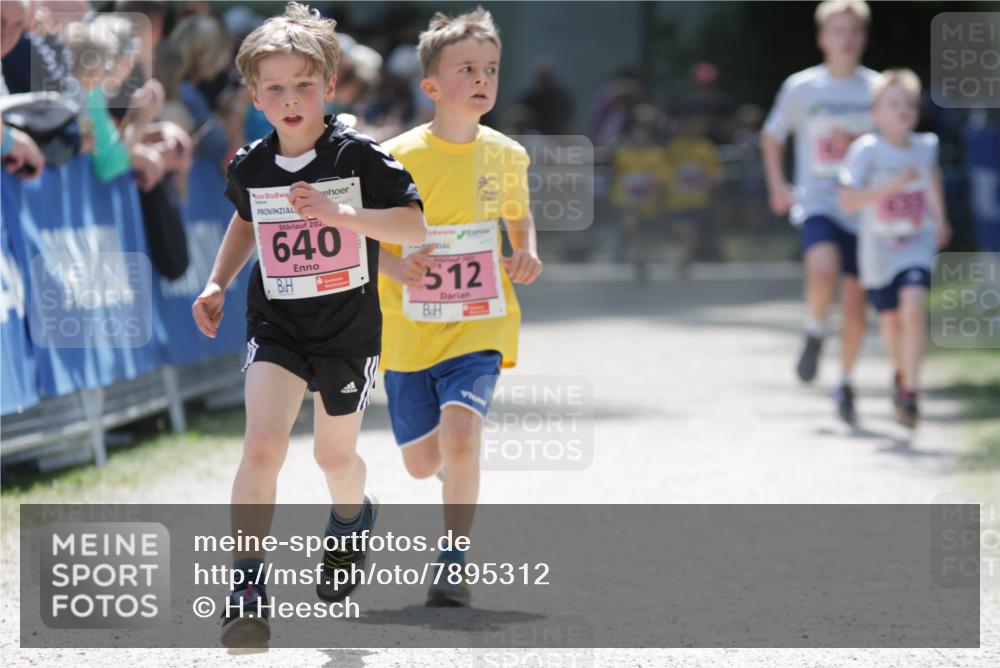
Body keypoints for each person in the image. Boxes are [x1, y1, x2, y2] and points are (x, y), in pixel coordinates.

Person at [190, 2, 425, 647]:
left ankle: (353, 517)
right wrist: (218, 281)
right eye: (275, 88)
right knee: (262, 444)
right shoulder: (251, 164)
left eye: (303, 85)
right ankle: (246, 585)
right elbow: (247, 219)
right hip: (278, 323)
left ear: (328, 84)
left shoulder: (361, 157)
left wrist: (340, 216)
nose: (290, 99)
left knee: (333, 455)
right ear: (255, 96)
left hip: (348, 331)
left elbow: (413, 225)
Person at [378, 8, 542, 607]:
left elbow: (518, 222)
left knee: (461, 439)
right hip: (408, 332)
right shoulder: (393, 158)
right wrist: (395, 266)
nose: (482, 79)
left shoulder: (506, 156)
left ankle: (453, 559)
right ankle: (453, 475)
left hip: (479, 324)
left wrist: (524, 253)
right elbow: (361, 237)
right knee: (424, 464)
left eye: (491, 69)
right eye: (467, 68)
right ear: (431, 86)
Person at [761, 0, 880, 425]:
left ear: (863, 38)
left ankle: (845, 382)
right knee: (823, 271)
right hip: (819, 201)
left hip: (866, 210)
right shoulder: (802, 88)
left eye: (853, 31)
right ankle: (814, 328)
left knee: (854, 304)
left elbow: (898, 144)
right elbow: (772, 136)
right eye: (837, 31)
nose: (846, 39)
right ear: (822, 39)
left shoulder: (878, 90)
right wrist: (778, 186)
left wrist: (862, 141)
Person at [839, 69, 951, 427]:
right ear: (875, 113)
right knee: (889, 322)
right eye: (893, 104)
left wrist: (941, 218)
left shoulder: (926, 145)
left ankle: (913, 393)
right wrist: (892, 187)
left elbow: (931, 177)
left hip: (915, 243)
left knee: (913, 307)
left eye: (909, 104)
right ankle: (901, 375)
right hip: (878, 250)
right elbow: (848, 201)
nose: (903, 110)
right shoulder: (865, 151)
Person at [610, 103, 667, 278]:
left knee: (642, 231)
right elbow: (618, 177)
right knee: (631, 223)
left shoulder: (656, 153)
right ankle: (637, 255)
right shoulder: (623, 153)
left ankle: (641, 256)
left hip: (648, 200)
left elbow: (660, 177)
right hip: (628, 199)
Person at [663, 106, 723, 271]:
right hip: (677, 199)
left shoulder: (706, 147)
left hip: (699, 198)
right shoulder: (674, 147)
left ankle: (684, 260)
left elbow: (715, 172)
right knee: (683, 229)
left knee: (693, 232)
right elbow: (664, 170)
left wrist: (708, 180)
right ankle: (680, 259)